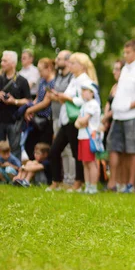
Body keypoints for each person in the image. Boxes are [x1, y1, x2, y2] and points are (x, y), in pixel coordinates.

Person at [107, 39, 135, 194]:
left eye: (128, 52)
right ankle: (114, 182)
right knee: (114, 146)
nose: (125, 55)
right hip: (118, 115)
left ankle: (131, 184)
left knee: (133, 148)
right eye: (124, 52)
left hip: (134, 116)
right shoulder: (126, 68)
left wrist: (130, 105)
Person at [47, 52, 97, 192]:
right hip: (66, 119)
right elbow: (68, 97)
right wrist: (59, 97)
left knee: (76, 153)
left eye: (73, 63)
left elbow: (84, 100)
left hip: (76, 120)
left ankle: (77, 183)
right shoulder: (74, 79)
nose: (70, 65)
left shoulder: (85, 81)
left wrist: (66, 98)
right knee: (54, 150)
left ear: (81, 66)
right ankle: (56, 181)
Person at [23, 58, 55, 163]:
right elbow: (37, 98)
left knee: (44, 146)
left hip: (47, 120)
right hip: (37, 119)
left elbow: (46, 102)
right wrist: (30, 107)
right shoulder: (42, 81)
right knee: (30, 145)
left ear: (49, 68)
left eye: (41, 70)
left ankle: (44, 171)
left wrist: (29, 110)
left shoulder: (53, 82)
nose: (40, 73)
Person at [0, 50, 31, 159]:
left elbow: (28, 101)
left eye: (5, 61)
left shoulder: (22, 81)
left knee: (15, 150)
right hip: (0, 120)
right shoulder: (0, 78)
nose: (1, 63)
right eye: (2, 60)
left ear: (13, 63)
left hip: (15, 121)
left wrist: (14, 101)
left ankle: (16, 174)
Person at [51, 51, 75, 186]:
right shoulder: (58, 76)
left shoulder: (72, 77)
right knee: (60, 150)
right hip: (56, 117)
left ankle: (72, 178)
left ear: (66, 61)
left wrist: (59, 96)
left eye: (59, 58)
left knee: (69, 149)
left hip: (69, 118)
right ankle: (65, 177)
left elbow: (68, 97)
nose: (56, 61)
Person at [74, 82, 101, 194]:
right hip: (82, 136)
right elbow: (77, 123)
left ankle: (93, 186)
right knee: (85, 162)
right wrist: (80, 121)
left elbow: (84, 120)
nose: (83, 92)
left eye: (85, 90)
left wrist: (81, 121)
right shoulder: (85, 105)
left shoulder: (93, 104)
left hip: (89, 136)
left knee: (91, 162)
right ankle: (88, 185)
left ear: (92, 92)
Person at [103, 59, 125, 191]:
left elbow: (117, 105)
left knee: (118, 151)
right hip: (109, 121)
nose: (114, 71)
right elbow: (108, 102)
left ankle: (118, 181)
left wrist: (106, 117)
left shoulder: (124, 87)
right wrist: (105, 118)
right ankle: (112, 180)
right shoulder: (114, 86)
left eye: (117, 69)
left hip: (117, 120)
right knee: (111, 150)